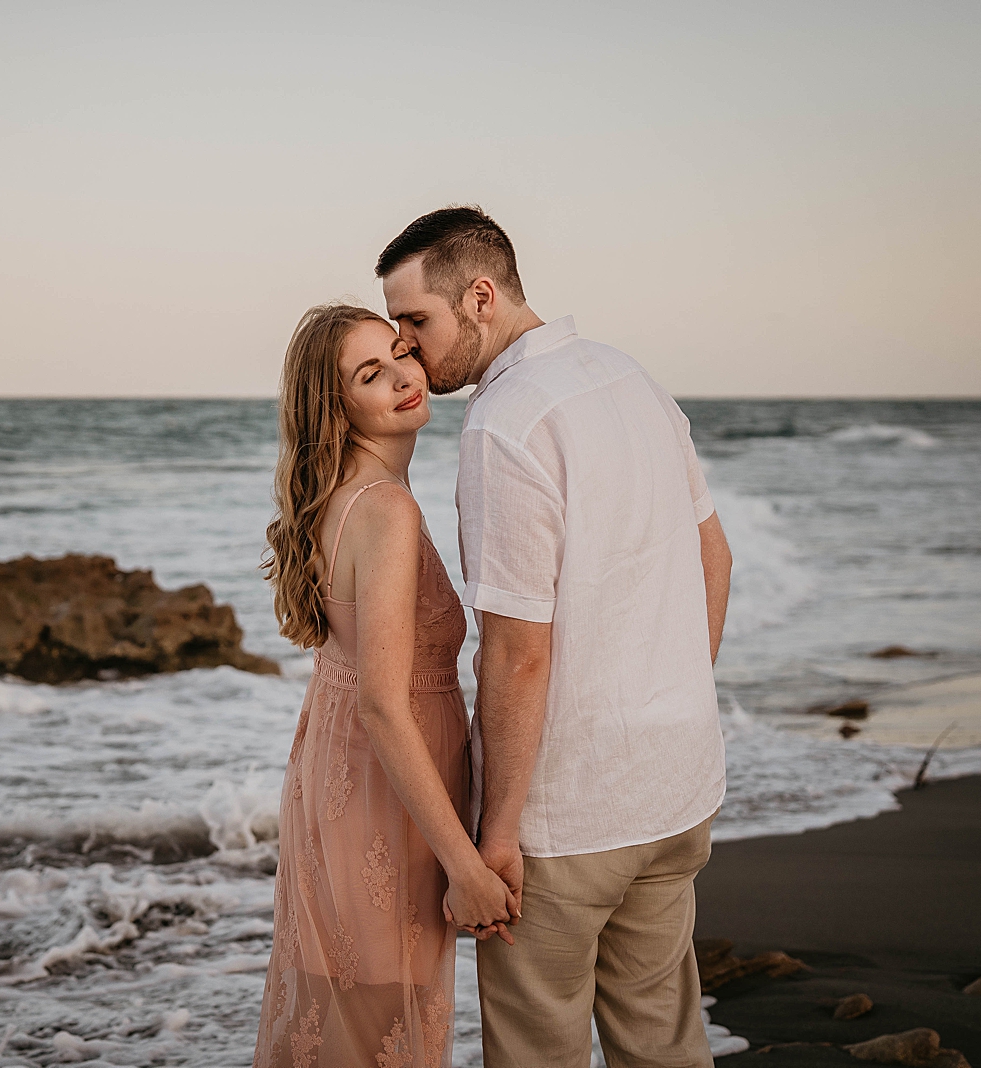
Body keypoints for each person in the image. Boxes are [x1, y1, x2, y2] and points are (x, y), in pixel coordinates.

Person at [378, 206, 734, 1068]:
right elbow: (713, 557)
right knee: (666, 1045)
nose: (406, 346)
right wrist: (668, 699)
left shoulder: (507, 424)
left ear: (482, 296)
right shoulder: (629, 377)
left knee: (539, 1055)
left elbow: (516, 649)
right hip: (678, 787)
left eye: (416, 320)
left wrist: (496, 834)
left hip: (569, 817)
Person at [252, 302, 517, 1068]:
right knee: (377, 1030)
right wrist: (465, 866)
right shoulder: (387, 510)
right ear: (336, 406)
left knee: (345, 1016)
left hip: (341, 776)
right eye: (371, 373)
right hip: (385, 794)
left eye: (401, 351)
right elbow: (383, 702)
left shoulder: (342, 496)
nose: (404, 375)